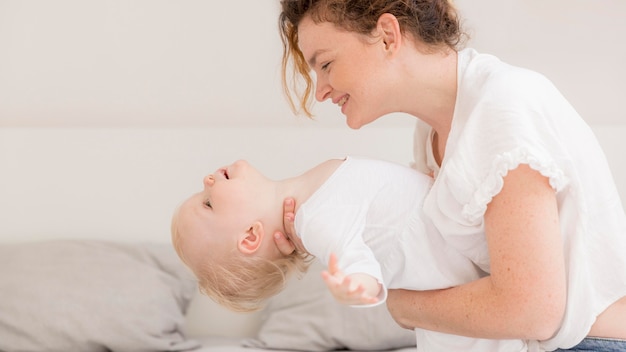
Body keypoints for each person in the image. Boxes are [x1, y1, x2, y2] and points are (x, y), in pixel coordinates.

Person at [272, 1, 626, 351]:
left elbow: (533, 311)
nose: (320, 91)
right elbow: (426, 255)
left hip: (592, 343)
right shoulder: (431, 134)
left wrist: (399, 306)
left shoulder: (503, 108)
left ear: (387, 36)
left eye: (327, 64)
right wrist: (312, 235)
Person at [171, 156, 529, 351]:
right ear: (250, 236)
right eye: (207, 203)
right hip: (472, 322)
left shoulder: (311, 204)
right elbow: (359, 264)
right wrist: (356, 285)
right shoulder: (315, 219)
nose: (207, 181)